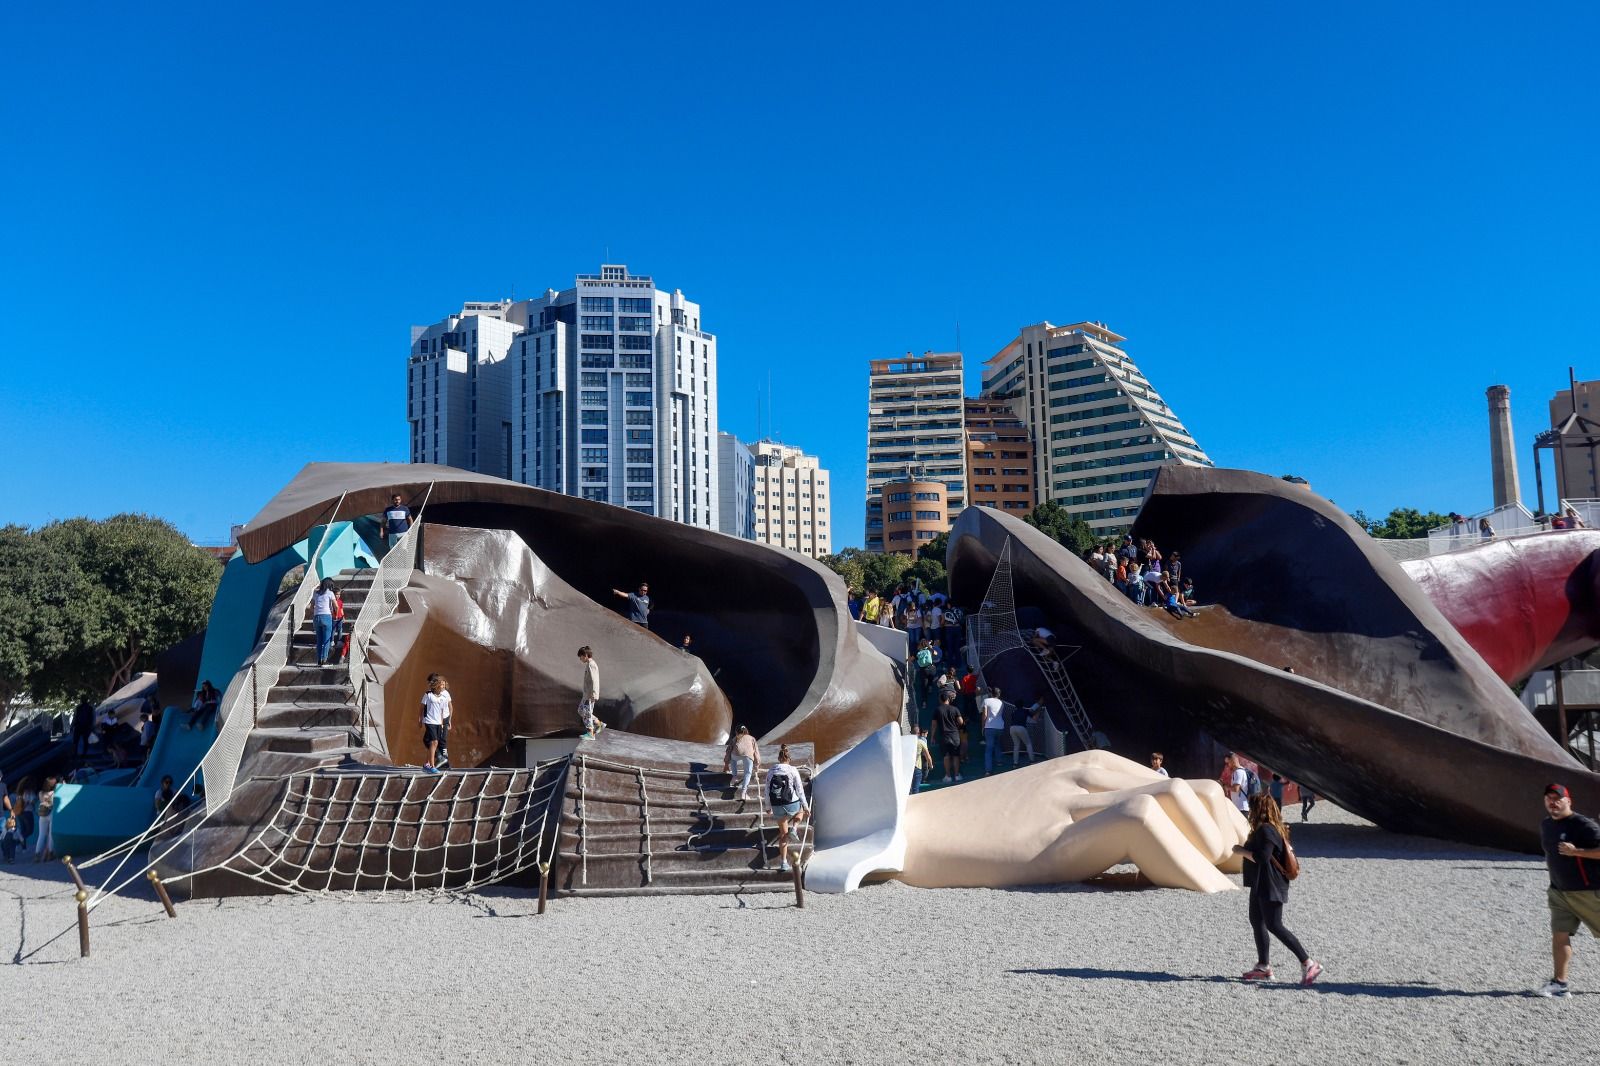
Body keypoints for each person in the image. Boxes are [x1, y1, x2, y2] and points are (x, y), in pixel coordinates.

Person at [1234, 793, 1321, 985]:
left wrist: (1240, 850)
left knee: (1274, 924)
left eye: (1252, 807)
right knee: (1257, 921)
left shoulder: (1267, 830)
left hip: (1270, 883)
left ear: (1258, 809)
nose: (1249, 812)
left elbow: (1262, 857)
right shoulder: (1264, 829)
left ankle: (1308, 963)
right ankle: (1263, 966)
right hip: (1260, 883)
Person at [1536, 783, 1600, 997]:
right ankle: (1560, 984)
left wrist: (1577, 852)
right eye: (1549, 798)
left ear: (1568, 801)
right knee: (1559, 936)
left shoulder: (1583, 825)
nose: (1553, 802)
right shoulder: (1547, 825)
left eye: (1558, 798)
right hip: (1558, 892)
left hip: (1588, 892)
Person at [765, 745, 810, 874]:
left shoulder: (771, 770)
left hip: (777, 805)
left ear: (779, 758)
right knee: (800, 811)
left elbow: (767, 789)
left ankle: (783, 862)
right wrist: (806, 807)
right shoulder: (792, 770)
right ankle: (794, 828)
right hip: (792, 802)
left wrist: (768, 807)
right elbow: (800, 790)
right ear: (789, 758)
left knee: (783, 834)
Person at [420, 674, 451, 774]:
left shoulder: (444, 695)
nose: (443, 686)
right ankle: (433, 764)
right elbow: (421, 707)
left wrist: (445, 722)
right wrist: (420, 719)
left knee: (438, 742)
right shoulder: (428, 695)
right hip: (430, 721)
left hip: (441, 721)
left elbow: (446, 709)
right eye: (441, 684)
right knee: (433, 742)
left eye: (443, 684)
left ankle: (432, 763)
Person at [723, 725, 760, 801]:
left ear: (736, 732)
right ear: (746, 731)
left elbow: (728, 751)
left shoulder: (734, 739)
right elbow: (756, 752)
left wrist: (726, 764)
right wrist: (757, 765)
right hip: (748, 755)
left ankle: (734, 776)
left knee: (733, 759)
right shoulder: (751, 738)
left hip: (736, 755)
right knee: (747, 773)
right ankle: (744, 793)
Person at [936, 695, 965, 784]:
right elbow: (961, 722)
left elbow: (934, 724)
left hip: (944, 736)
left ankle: (948, 776)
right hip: (955, 735)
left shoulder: (938, 710)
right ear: (948, 699)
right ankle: (957, 775)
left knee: (946, 756)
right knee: (956, 755)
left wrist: (933, 736)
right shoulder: (955, 709)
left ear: (940, 700)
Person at [576, 647, 603, 738]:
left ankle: (590, 734)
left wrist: (594, 694)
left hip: (590, 695)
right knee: (581, 710)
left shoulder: (591, 664)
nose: (580, 659)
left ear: (586, 656)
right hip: (586, 694)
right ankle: (598, 724)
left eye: (581, 657)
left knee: (586, 713)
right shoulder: (589, 664)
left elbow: (594, 680)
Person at [310, 577, 338, 666]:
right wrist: (335, 615)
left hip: (316, 617)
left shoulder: (316, 593)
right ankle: (324, 660)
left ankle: (319, 659)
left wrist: (315, 614)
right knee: (326, 640)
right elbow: (336, 606)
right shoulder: (330, 593)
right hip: (326, 617)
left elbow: (311, 607)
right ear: (330, 585)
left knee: (319, 640)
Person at [981, 688, 1008, 775]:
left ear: (991, 693)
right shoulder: (1002, 703)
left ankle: (988, 770)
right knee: (997, 744)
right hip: (1000, 727)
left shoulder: (986, 701)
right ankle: (999, 761)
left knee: (988, 749)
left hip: (989, 727)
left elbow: (984, 714)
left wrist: (983, 726)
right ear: (999, 694)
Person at [1008, 699, 1039, 765]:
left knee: (1016, 745)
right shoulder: (1025, 711)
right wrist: (1038, 711)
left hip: (1012, 728)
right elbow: (1034, 719)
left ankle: (1015, 763)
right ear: (1023, 705)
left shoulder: (1013, 712)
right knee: (1028, 744)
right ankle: (1032, 760)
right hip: (1021, 727)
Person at [33, 776, 56, 862]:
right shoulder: (53, 793)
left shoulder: (40, 793)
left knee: (41, 835)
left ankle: (37, 854)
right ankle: (50, 853)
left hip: (42, 814)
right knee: (50, 835)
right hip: (51, 813)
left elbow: (42, 801)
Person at [910, 725, 933, 794]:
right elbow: (928, 757)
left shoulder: (906, 741)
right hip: (916, 768)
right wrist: (931, 765)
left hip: (907, 768)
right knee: (915, 789)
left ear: (911, 732)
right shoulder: (921, 742)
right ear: (919, 733)